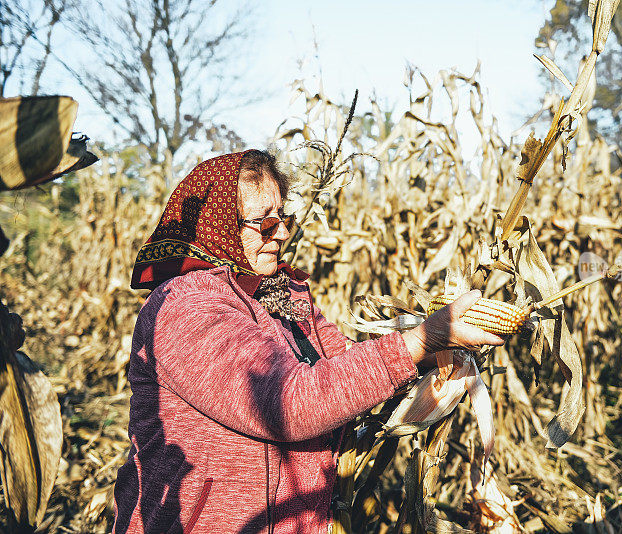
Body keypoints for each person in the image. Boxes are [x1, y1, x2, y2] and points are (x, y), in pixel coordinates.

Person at [112, 149, 504, 534]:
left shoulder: (278, 293)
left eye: (283, 219)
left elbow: (344, 367)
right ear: (218, 227)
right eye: (264, 224)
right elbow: (291, 403)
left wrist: (433, 355)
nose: (281, 233)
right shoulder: (188, 308)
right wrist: (420, 338)